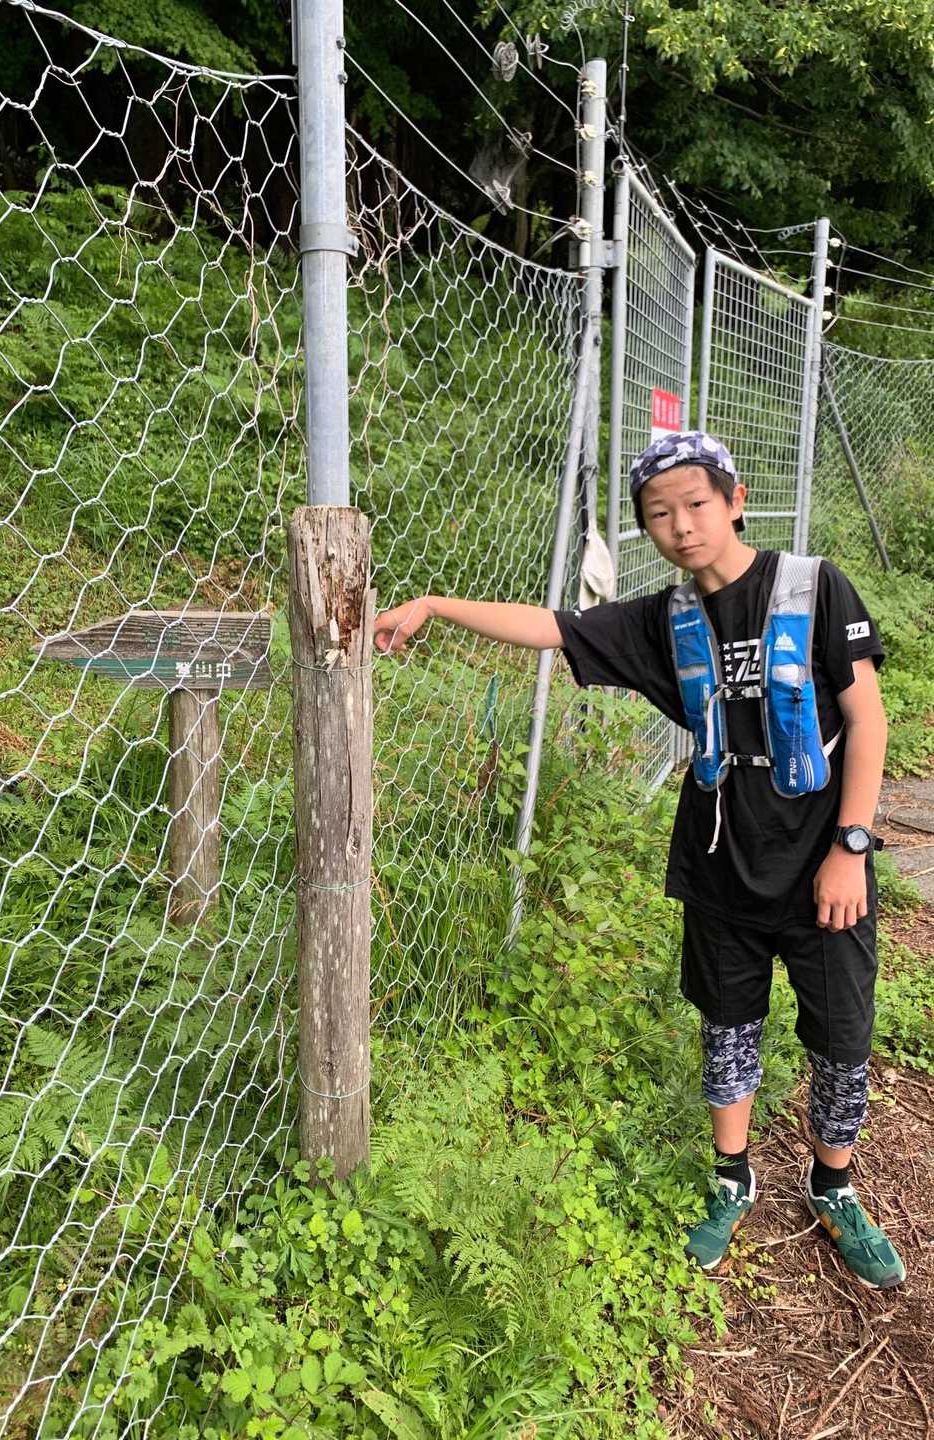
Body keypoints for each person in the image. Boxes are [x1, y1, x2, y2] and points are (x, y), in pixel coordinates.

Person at [373, 431, 906, 1290]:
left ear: (735, 501)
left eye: (696, 504)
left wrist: (851, 846)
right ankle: (732, 1178)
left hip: (823, 867)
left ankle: (833, 1185)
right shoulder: (666, 621)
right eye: (659, 515)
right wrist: (432, 605)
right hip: (720, 862)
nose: (681, 526)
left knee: (841, 1037)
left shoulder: (812, 587)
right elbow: (551, 627)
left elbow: (867, 718)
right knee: (727, 1025)